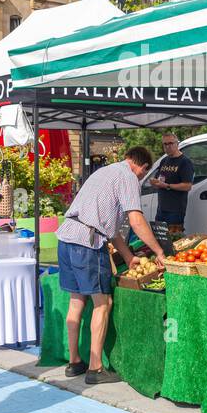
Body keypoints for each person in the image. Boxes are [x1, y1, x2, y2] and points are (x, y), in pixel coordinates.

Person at [57, 146, 163, 384]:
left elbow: (113, 231)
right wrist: (159, 252)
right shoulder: (128, 177)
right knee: (103, 303)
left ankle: (74, 362)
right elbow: (135, 220)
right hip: (88, 243)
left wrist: (127, 256)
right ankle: (95, 368)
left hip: (66, 238)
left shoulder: (105, 173)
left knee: (76, 301)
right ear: (142, 168)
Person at [150, 133, 195, 234]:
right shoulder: (164, 160)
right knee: (161, 238)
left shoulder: (185, 162)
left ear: (177, 144)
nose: (167, 146)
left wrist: (167, 186)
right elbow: (159, 178)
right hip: (161, 208)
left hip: (175, 209)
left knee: (174, 239)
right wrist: (154, 182)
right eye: (165, 144)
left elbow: (187, 186)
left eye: (170, 143)